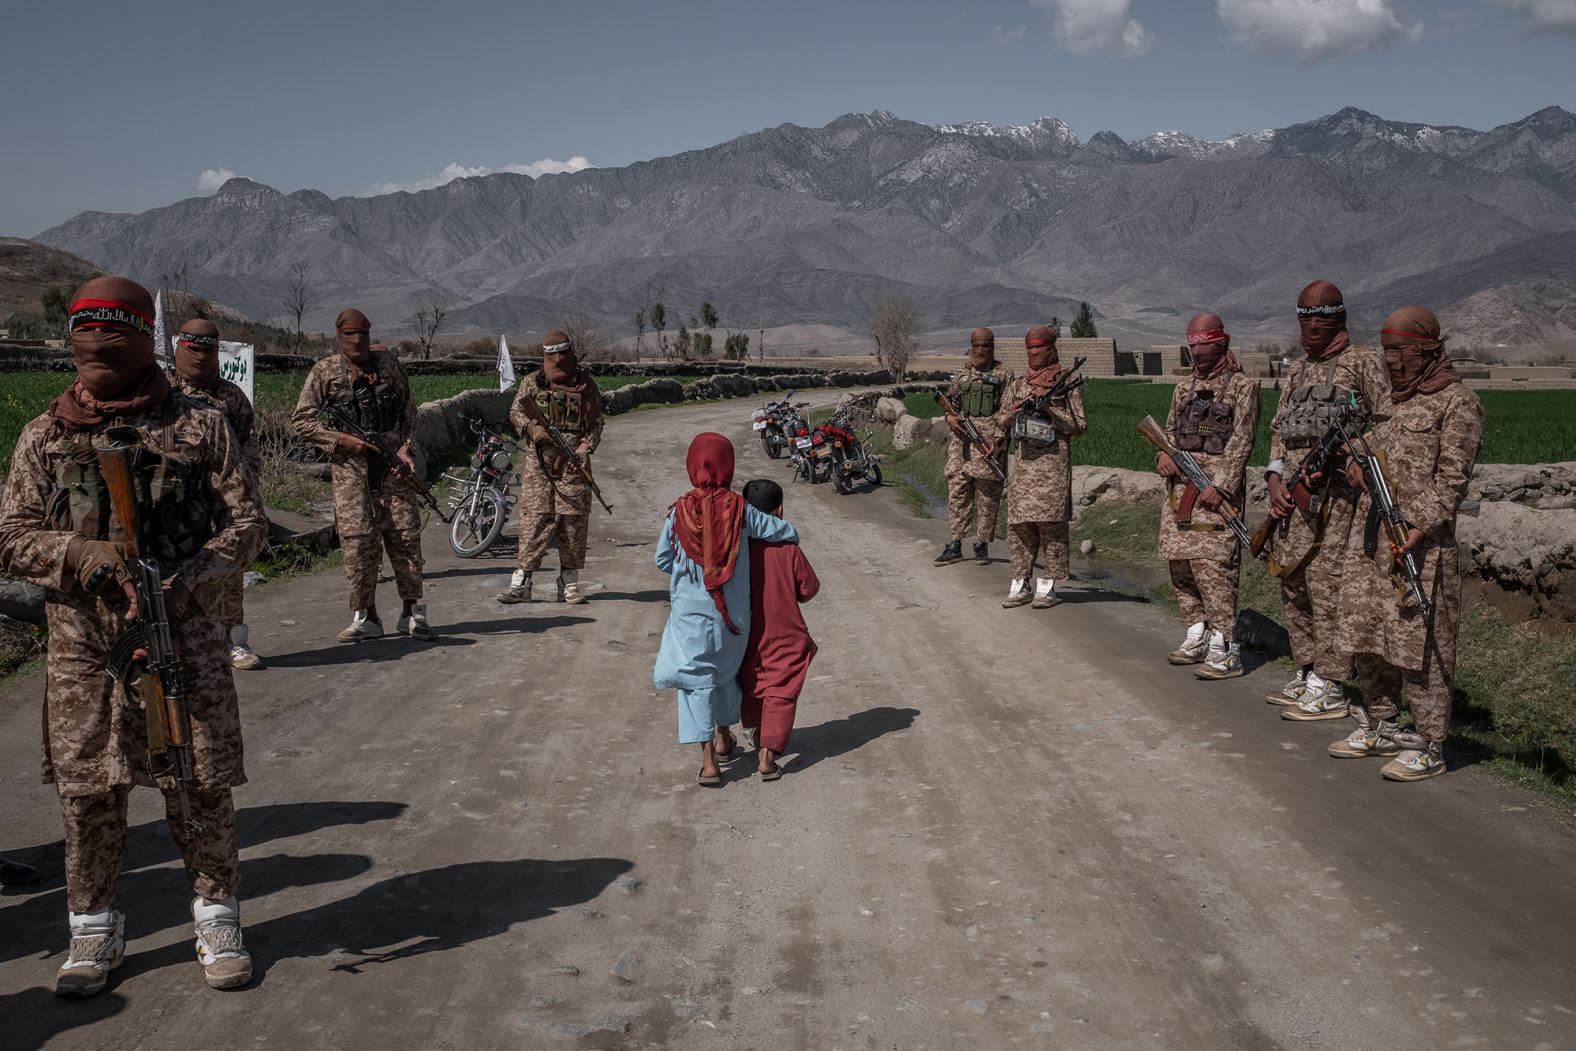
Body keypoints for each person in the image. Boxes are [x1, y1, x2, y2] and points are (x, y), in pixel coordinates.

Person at [0, 276, 266, 996]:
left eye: (113, 337)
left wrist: (184, 577)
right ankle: (93, 925)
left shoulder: (201, 425)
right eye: (87, 338)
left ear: (144, 339)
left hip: (184, 634)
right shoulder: (45, 436)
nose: (98, 352)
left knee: (200, 781)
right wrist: (79, 556)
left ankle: (216, 915)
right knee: (88, 789)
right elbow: (13, 536)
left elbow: (246, 525)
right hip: (83, 647)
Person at [1327, 307, 1482, 780]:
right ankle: (1382, 723)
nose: (1391, 361)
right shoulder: (1396, 401)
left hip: (1421, 546)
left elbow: (1452, 480)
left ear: (1429, 351)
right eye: (1387, 351)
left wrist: (1418, 523)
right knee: (1367, 632)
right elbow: (1367, 447)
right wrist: (1352, 463)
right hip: (1371, 539)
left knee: (1424, 645)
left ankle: (1432, 743)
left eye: (1401, 352)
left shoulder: (1459, 403)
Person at [1262, 281, 1391, 721]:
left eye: (1320, 315)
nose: (1310, 324)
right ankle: (1309, 669)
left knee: (1329, 585)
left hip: (1341, 500)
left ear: (1339, 317)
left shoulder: (1362, 363)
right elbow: (1279, 429)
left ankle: (1333, 685)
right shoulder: (1297, 370)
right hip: (1295, 499)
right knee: (1294, 585)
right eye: (1304, 316)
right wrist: (1275, 478)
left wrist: (1352, 450)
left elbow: (1391, 423)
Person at [653, 434, 798, 786]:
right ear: (728, 467)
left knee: (695, 681)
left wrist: (693, 572)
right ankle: (723, 734)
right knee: (724, 674)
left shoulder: (679, 512)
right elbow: (785, 532)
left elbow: (662, 559)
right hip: (733, 616)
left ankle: (709, 762)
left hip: (690, 613)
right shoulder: (741, 510)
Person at [292, 309, 434, 642]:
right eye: (350, 334)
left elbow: (409, 411)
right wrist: (341, 440)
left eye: (364, 334)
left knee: (405, 538)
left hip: (393, 470)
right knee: (358, 544)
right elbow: (303, 420)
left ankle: (411, 612)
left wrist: (405, 447)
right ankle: (365, 616)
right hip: (352, 474)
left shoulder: (389, 366)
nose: (358, 341)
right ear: (338, 336)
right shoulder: (324, 372)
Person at [1155, 314, 1260, 678]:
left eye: (1205, 345)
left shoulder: (1242, 387)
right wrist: (1163, 455)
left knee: (1214, 567)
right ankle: (1196, 631)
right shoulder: (1183, 388)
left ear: (1222, 344)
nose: (1198, 353)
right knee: (1180, 564)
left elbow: (1243, 439)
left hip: (1215, 494)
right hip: (1179, 492)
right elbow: (1168, 431)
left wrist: (1224, 486)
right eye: (1193, 345)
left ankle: (1225, 645)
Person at [168, 319, 265, 670]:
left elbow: (248, 447)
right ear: (180, 347)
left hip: (223, 502)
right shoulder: (163, 390)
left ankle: (234, 642)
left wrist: (245, 491)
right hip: (175, 505)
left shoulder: (231, 397)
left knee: (227, 572)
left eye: (208, 350)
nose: (200, 358)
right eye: (193, 349)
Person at [497, 330, 605, 605]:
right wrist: (532, 428)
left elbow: (596, 422)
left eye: (562, 354)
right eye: (551, 355)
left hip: (573, 466)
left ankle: (568, 582)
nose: (558, 360)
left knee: (573, 524)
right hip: (540, 467)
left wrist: (584, 448)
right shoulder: (533, 383)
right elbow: (516, 411)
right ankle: (522, 581)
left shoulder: (586, 386)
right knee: (534, 520)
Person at [994, 325, 1085, 609]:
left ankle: (1048, 586)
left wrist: (1049, 409)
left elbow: (1079, 424)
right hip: (1023, 468)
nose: (1034, 353)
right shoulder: (1018, 384)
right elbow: (999, 422)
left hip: (1053, 467)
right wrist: (1012, 413)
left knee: (1051, 527)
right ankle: (1020, 582)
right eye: (1030, 349)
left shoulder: (1066, 382)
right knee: (1019, 526)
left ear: (1051, 349)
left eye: (1039, 348)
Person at [738, 479, 819, 780]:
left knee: (752, 683)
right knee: (781, 689)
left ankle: (755, 730)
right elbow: (808, 589)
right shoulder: (788, 549)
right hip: (784, 632)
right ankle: (768, 755)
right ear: (780, 510)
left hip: (746, 634)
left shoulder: (737, 548)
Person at [935, 327, 1014, 566]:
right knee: (958, 492)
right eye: (976, 345)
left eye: (985, 345)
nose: (980, 350)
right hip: (961, 445)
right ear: (970, 345)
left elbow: (1008, 410)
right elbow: (950, 403)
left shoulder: (1004, 374)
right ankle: (956, 543)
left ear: (993, 347)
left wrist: (999, 440)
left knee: (988, 496)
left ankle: (982, 544)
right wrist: (949, 418)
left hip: (988, 445)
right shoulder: (961, 374)